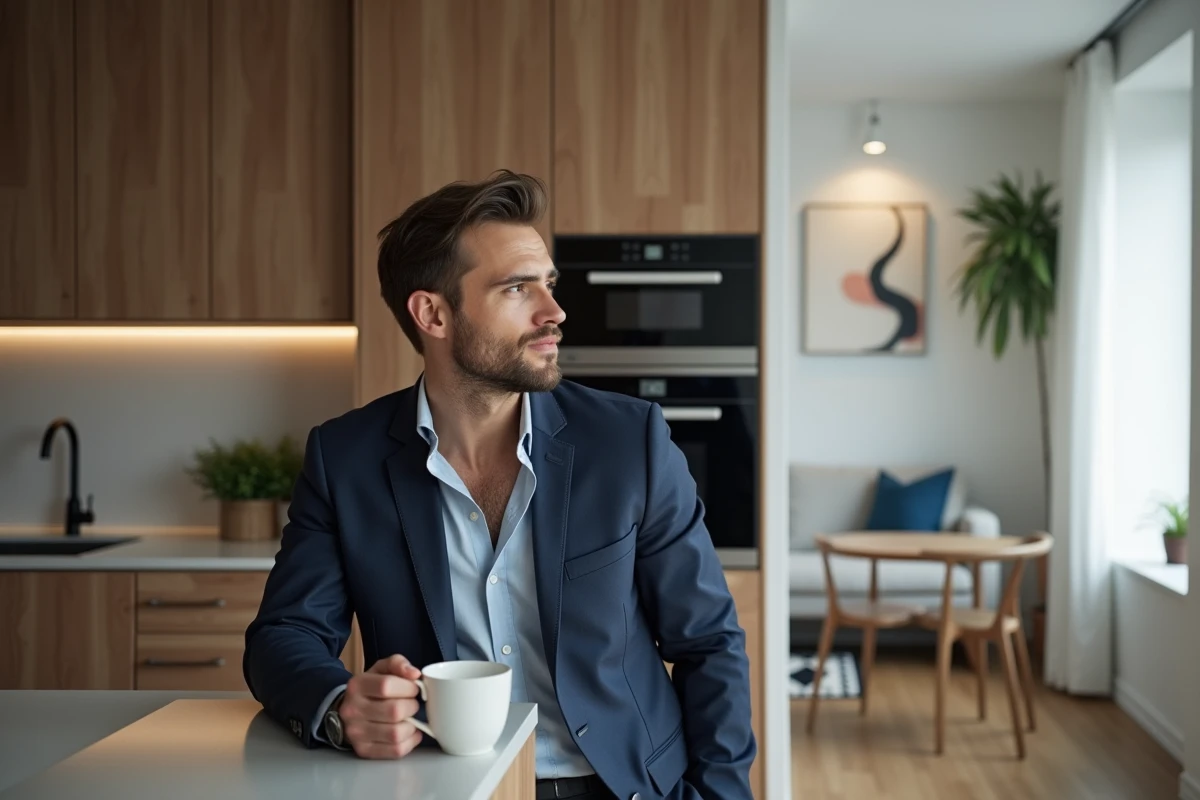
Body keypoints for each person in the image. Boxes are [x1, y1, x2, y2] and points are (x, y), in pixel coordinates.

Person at [243, 170, 756, 800]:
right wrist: (339, 706)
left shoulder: (629, 442)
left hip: (626, 784)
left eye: (548, 283)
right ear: (432, 313)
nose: (555, 312)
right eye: (518, 288)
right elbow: (283, 636)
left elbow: (709, 643)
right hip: (445, 786)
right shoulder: (344, 458)